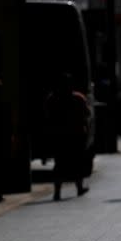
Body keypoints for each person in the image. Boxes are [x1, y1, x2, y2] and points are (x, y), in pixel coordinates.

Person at [45, 73, 91, 201]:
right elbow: (87, 114)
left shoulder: (52, 99)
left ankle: (57, 192)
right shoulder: (78, 98)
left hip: (59, 136)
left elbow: (48, 117)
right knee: (77, 163)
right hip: (76, 135)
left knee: (59, 164)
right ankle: (79, 188)